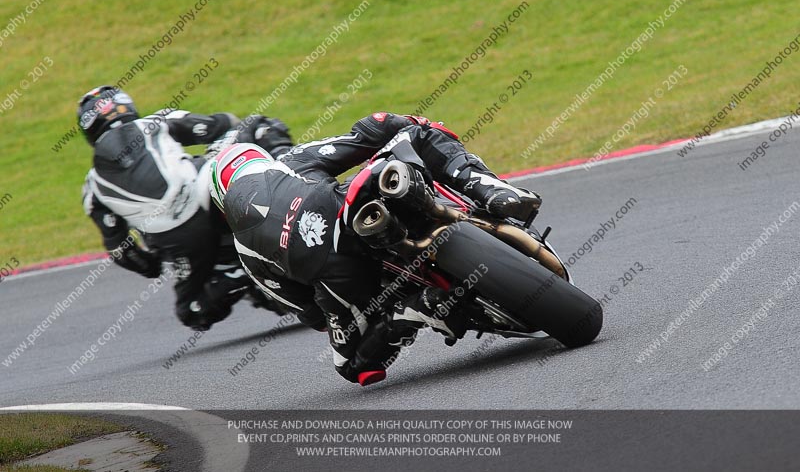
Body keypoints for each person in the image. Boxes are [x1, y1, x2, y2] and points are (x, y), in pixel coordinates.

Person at [209, 112, 541, 384]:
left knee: (352, 366)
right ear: (261, 158)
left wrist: (359, 310)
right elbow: (368, 132)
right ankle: (491, 189)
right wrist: (408, 123)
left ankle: (414, 310)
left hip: (334, 272)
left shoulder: (244, 250)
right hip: (343, 209)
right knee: (415, 134)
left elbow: (309, 312)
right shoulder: (290, 160)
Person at [78, 85, 295, 331]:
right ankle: (293, 180)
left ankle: (234, 277)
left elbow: (122, 252)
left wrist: (152, 264)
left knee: (192, 311)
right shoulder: (157, 121)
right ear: (126, 106)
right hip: (207, 196)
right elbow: (221, 125)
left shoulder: (92, 187)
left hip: (177, 241)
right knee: (257, 125)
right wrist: (217, 148)